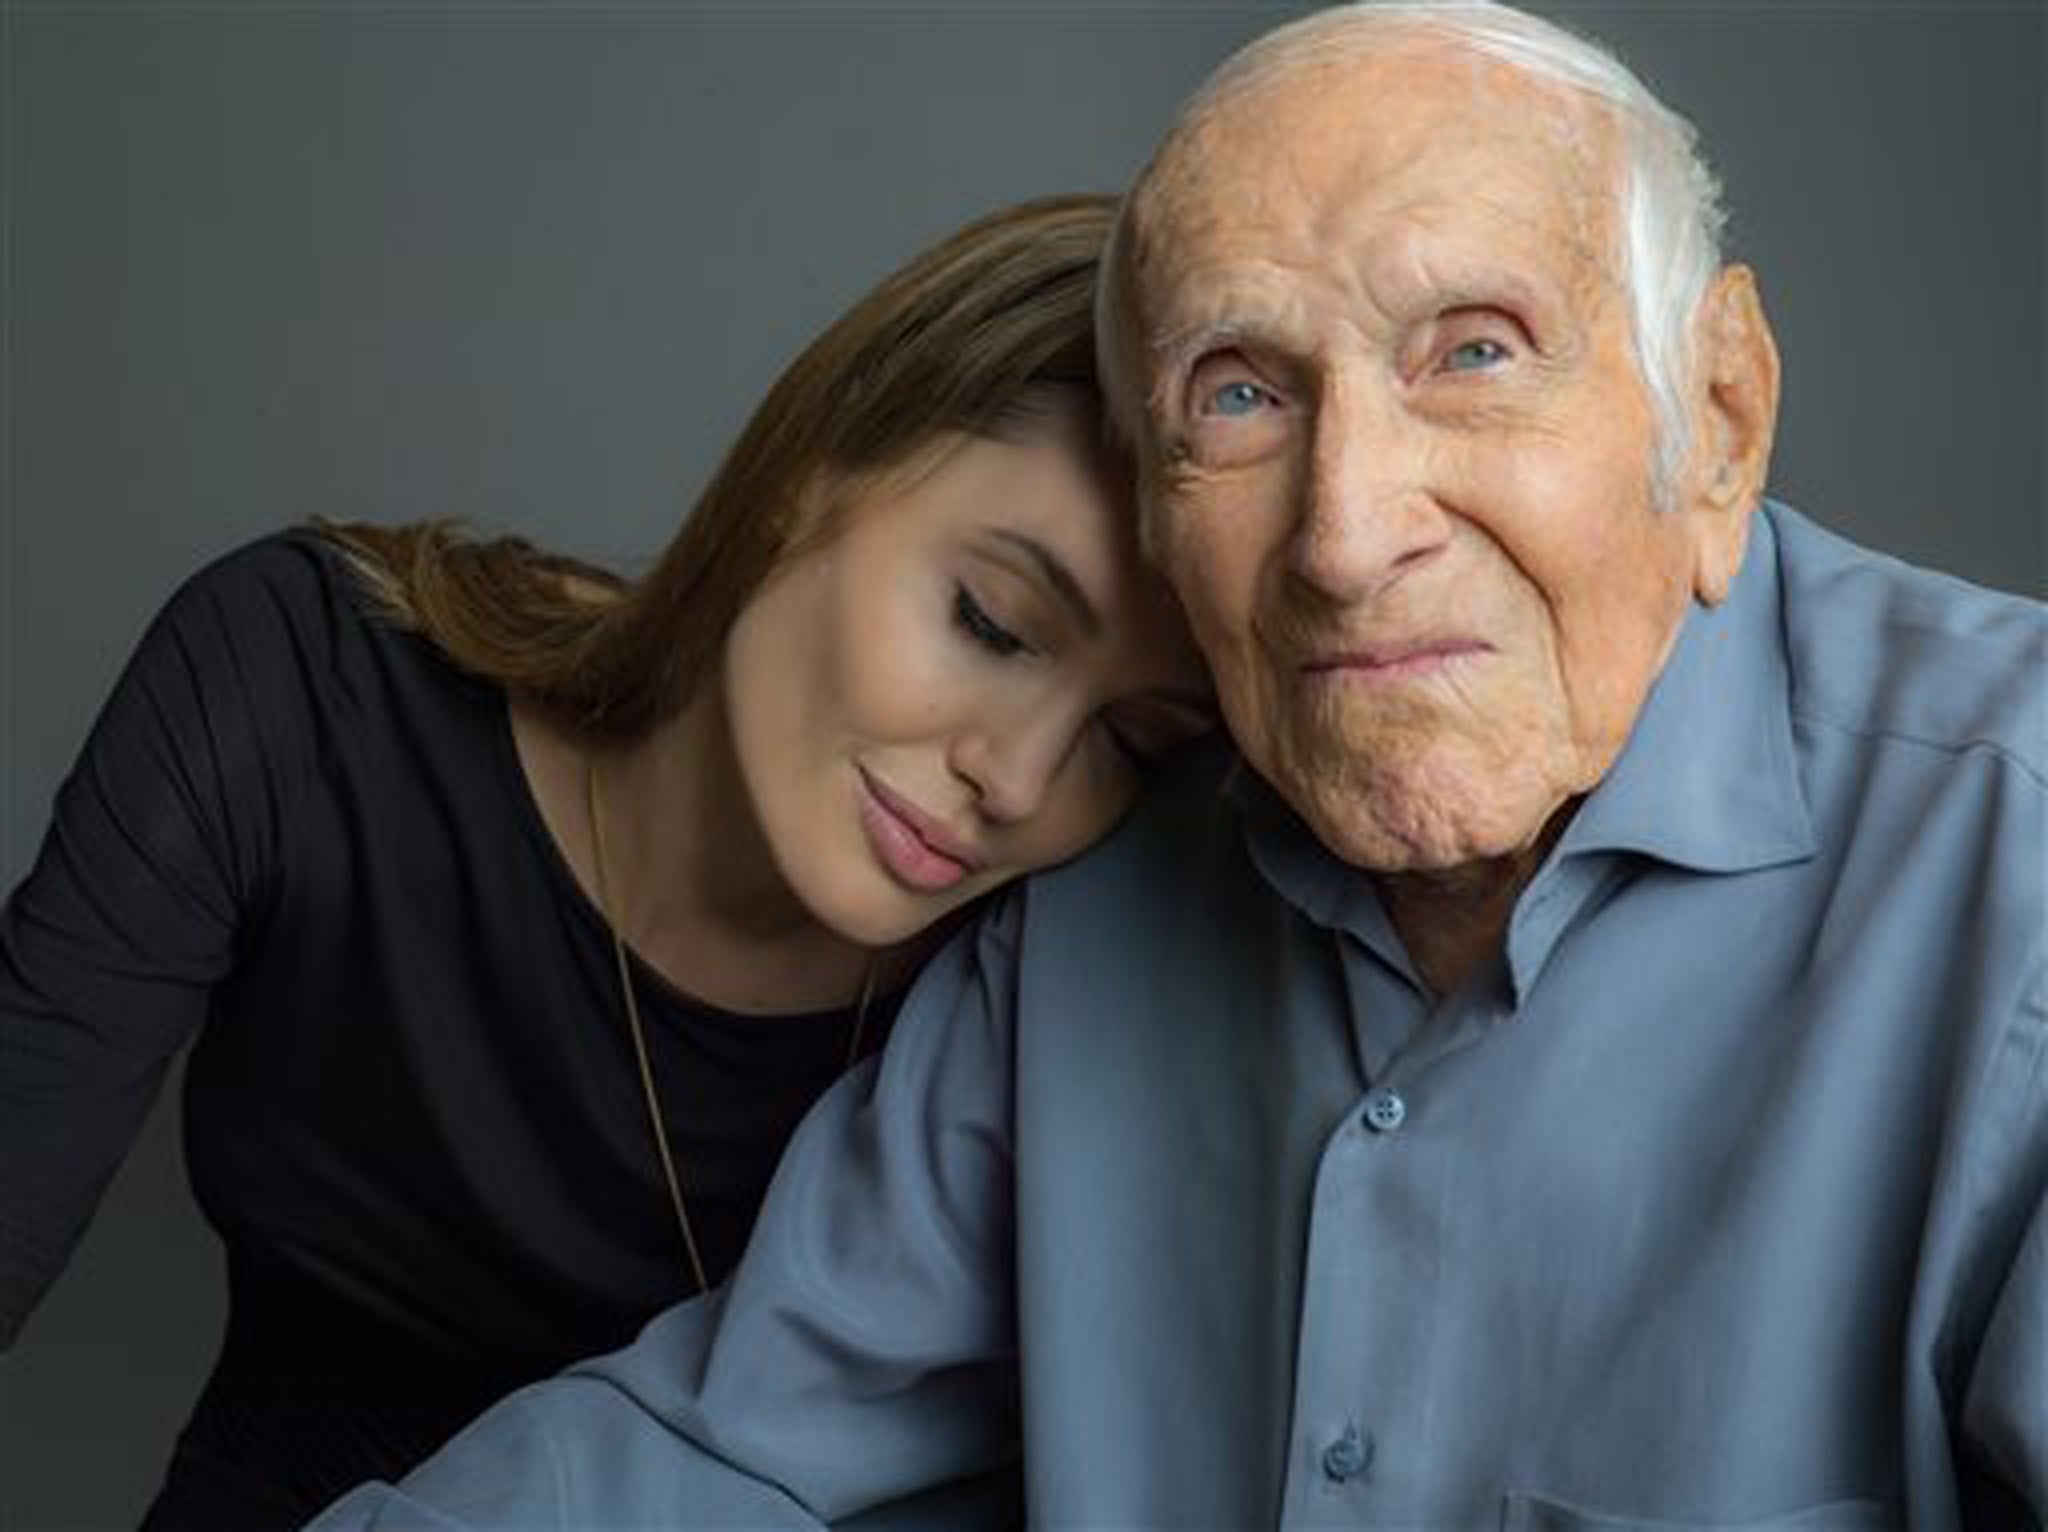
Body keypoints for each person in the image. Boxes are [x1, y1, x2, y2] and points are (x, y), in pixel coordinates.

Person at [309, 3, 2046, 1527]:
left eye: (1476, 354)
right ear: (1155, 507)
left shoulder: (2016, 861)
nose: (1348, 537)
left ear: (1720, 421)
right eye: (1237, 397)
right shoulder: (1096, 902)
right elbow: (724, 1454)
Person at [0, 194, 1213, 1531]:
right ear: (815, 468)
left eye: (1131, 741)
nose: (1019, 778)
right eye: (993, 621)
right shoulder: (308, 690)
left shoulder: (1058, 970)